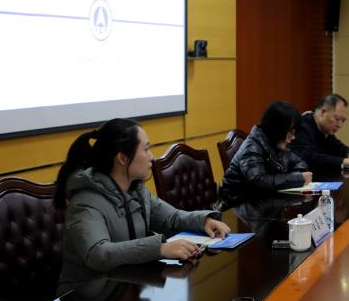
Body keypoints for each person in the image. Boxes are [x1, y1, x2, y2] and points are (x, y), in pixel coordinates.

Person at [55, 118, 230, 291]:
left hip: (127, 288)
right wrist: (159, 249)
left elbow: (171, 219)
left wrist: (204, 221)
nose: (152, 157)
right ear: (123, 158)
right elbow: (99, 254)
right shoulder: (85, 201)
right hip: (86, 298)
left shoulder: (136, 190)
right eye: (146, 149)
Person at [220, 101, 312, 209]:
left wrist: (295, 176)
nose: (293, 137)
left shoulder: (276, 144)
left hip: (263, 202)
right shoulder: (252, 147)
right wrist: (297, 178)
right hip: (239, 207)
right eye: (290, 132)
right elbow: (259, 181)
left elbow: (300, 163)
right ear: (277, 128)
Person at [290, 93, 349, 175]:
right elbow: (308, 157)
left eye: (343, 121)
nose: (340, 125)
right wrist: (346, 161)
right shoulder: (301, 126)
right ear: (323, 112)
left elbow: (337, 146)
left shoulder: (325, 130)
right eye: (337, 119)